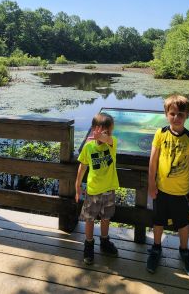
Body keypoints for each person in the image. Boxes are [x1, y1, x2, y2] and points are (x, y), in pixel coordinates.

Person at [147, 94, 189, 277]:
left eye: (181, 114)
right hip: (161, 190)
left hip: (182, 193)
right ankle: (156, 248)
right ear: (166, 114)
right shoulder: (160, 134)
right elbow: (153, 162)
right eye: (172, 114)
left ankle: (184, 251)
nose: (176, 118)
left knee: (183, 224)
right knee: (158, 221)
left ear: (187, 115)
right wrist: (151, 184)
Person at [75, 112, 119, 265]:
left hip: (109, 190)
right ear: (94, 129)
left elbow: (107, 139)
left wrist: (103, 136)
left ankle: (105, 241)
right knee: (89, 219)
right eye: (104, 131)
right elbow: (82, 167)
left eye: (109, 131)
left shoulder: (111, 143)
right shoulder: (88, 147)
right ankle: (88, 245)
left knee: (106, 217)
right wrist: (77, 185)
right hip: (93, 191)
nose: (108, 135)